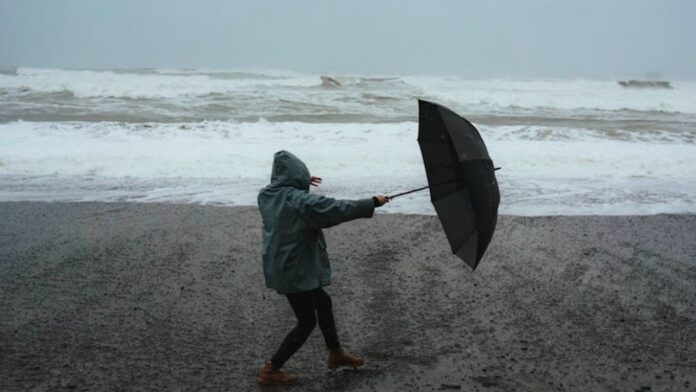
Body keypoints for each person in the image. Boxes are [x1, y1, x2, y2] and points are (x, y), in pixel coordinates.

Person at [256, 150, 389, 385]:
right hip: (294, 269)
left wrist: (300, 182)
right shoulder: (300, 202)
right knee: (306, 321)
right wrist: (371, 203)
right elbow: (336, 209)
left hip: (282, 264)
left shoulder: (266, 196)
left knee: (323, 302)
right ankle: (271, 368)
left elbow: (287, 194)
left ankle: (335, 354)